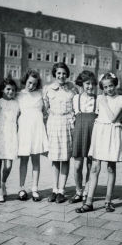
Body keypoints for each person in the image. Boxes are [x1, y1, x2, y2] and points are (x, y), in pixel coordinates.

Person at [76, 72, 122, 213]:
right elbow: (98, 115)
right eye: (105, 87)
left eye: (111, 86)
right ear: (102, 87)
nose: (108, 89)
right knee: (95, 167)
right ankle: (89, 201)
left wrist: (104, 102)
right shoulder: (99, 98)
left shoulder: (120, 98)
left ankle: (108, 201)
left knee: (111, 168)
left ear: (115, 85)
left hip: (113, 132)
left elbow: (113, 118)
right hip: (100, 132)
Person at [44, 62, 76, 203]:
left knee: (65, 158)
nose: (61, 76)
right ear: (55, 74)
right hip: (54, 124)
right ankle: (54, 189)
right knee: (55, 158)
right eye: (58, 73)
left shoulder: (72, 89)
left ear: (67, 74)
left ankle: (62, 190)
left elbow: (76, 106)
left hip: (67, 123)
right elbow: (46, 107)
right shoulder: (48, 89)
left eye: (63, 73)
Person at [17, 70, 48, 201]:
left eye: (34, 84)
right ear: (25, 80)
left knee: (36, 160)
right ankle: (22, 188)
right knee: (24, 160)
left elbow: (47, 109)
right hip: (24, 130)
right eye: (29, 83)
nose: (31, 86)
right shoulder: (19, 95)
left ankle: (35, 189)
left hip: (37, 130)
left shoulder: (41, 94)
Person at [69, 70, 98, 204]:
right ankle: (78, 191)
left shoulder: (98, 100)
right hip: (79, 133)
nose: (90, 86)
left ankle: (87, 191)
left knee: (91, 165)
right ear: (82, 84)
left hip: (94, 133)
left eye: (92, 84)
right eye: (87, 83)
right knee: (77, 165)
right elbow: (72, 117)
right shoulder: (76, 98)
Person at [0, 77, 19, 200]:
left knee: (8, 166)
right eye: (8, 89)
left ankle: (3, 183)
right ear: (3, 90)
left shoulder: (17, 103)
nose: (11, 92)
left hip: (11, 136)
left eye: (13, 90)